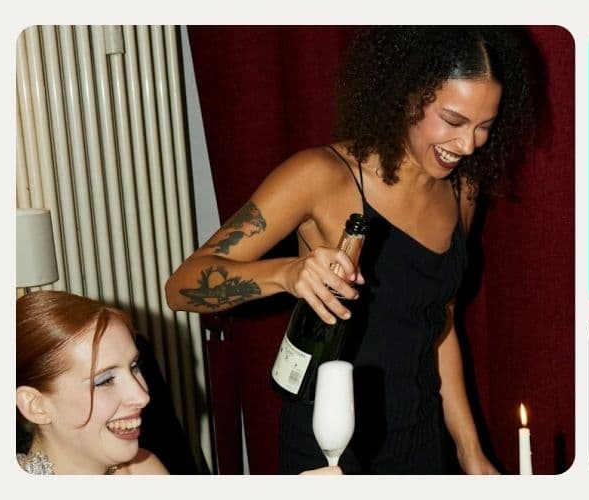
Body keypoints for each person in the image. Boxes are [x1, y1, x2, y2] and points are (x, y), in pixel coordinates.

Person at [165, 27, 535, 474]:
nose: (469, 145)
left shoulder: (462, 189)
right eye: (453, 121)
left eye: (485, 127)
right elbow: (182, 287)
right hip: (332, 447)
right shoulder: (321, 175)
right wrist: (286, 274)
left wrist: (469, 449)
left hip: (421, 437)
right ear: (406, 94)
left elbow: (440, 320)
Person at [16, 290, 168, 475]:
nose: (142, 397)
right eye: (105, 381)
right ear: (37, 407)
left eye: (134, 366)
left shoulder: (143, 471)